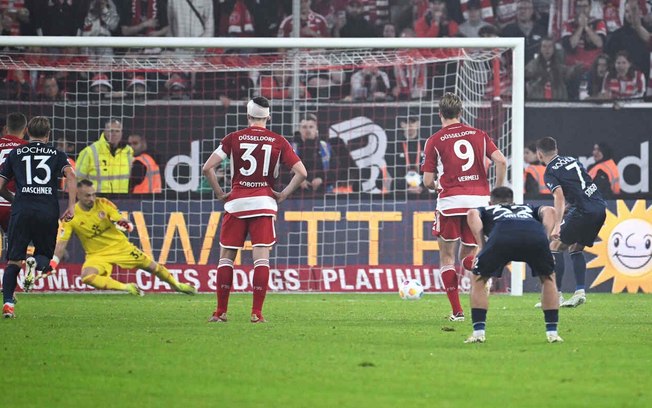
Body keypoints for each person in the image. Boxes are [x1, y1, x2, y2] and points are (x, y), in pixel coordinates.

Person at [202, 96, 307, 323]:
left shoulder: (233, 138)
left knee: (226, 258)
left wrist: (220, 193)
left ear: (248, 116)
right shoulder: (278, 141)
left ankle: (220, 312)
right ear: (268, 116)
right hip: (263, 202)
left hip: (236, 203)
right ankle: (256, 314)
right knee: (261, 259)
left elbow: (207, 168)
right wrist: (283, 194)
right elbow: (302, 172)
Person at [420, 92, 507, 321]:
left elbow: (428, 181)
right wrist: (496, 191)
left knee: (447, 257)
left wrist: (438, 186)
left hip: (450, 202)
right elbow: (501, 160)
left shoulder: (435, 140)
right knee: (468, 255)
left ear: (440, 114)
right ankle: (484, 268)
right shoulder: (479, 135)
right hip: (478, 202)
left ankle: (457, 312)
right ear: (460, 113)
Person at [50, 179, 195, 296]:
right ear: (77, 195)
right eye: (88, 195)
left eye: (94, 194)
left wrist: (124, 223)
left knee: (153, 267)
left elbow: (118, 218)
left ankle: (177, 285)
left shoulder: (103, 203)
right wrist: (52, 265)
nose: (92, 198)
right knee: (87, 277)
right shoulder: (70, 216)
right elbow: (61, 245)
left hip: (121, 247)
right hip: (97, 254)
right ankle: (126, 287)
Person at [464, 186, 563, 344]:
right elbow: (550, 210)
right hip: (534, 234)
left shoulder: (487, 208)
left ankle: (478, 333)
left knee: (479, 279)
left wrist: (482, 246)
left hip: (502, 234)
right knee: (548, 278)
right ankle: (552, 334)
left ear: (491, 201)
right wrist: (545, 240)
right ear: (513, 201)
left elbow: (471, 214)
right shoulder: (527, 208)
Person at [0, 116, 76, 318]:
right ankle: (34, 263)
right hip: (47, 210)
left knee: (14, 261)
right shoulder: (56, 153)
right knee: (44, 257)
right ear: (48, 134)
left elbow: (0, 186)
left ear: (28, 133)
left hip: (22, 210)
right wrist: (71, 206)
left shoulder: (16, 153)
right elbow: (71, 176)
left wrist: (14, 198)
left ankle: (8, 304)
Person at [536, 136, 607, 308]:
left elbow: (558, 196)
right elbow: (580, 186)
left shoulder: (550, 171)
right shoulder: (571, 160)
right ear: (557, 150)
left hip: (583, 210)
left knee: (556, 246)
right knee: (576, 248)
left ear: (539, 154)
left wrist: (558, 223)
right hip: (599, 208)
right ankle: (579, 292)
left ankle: (556, 296)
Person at [76, 118, 133, 193]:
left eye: (117, 131)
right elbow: (77, 179)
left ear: (121, 133)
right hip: (97, 200)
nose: (114, 134)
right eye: (111, 131)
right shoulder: (89, 152)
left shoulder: (128, 151)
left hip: (120, 200)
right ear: (105, 131)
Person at [0, 112, 29, 232]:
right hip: (16, 205)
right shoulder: (28, 148)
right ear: (26, 130)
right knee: (17, 246)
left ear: (6, 128)